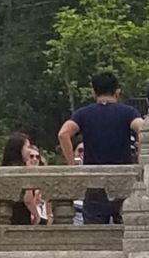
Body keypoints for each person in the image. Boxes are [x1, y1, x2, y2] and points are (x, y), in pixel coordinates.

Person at [58, 71, 143, 224]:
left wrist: (72, 166)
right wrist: (139, 158)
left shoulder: (83, 114)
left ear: (93, 92)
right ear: (117, 92)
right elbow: (142, 129)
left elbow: (63, 134)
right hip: (123, 182)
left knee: (93, 235)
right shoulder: (128, 112)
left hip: (94, 184)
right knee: (127, 232)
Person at [1, 133, 41, 225]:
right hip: (21, 216)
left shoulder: (6, 168)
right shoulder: (22, 170)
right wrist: (36, 215)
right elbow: (28, 199)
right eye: (27, 147)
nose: (29, 151)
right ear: (19, 149)